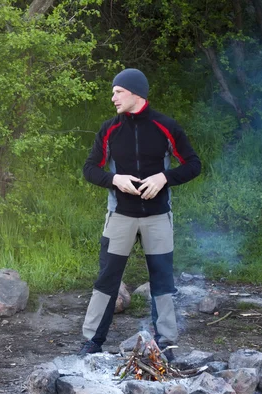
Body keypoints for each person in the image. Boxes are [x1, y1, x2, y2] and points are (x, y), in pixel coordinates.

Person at [78, 68, 201, 359]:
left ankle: (167, 342)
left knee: (162, 280)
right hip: (120, 214)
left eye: (118, 92)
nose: (113, 98)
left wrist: (164, 178)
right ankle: (92, 341)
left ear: (135, 93)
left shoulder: (165, 126)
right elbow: (90, 168)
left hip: (158, 216)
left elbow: (193, 164)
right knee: (107, 278)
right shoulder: (110, 129)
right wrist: (114, 180)